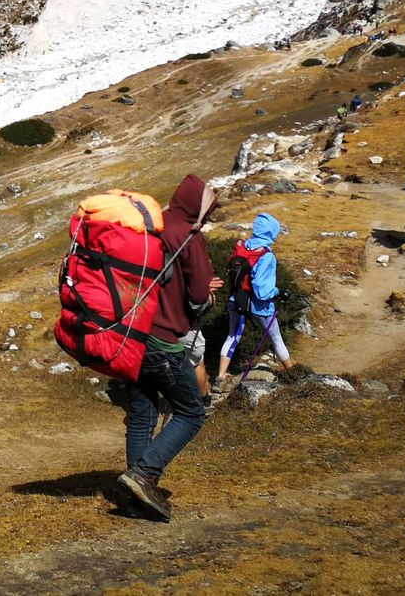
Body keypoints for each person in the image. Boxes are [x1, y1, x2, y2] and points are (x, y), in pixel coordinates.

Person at [117, 175, 221, 522]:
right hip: (161, 339)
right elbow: (197, 296)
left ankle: (136, 496)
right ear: (198, 206)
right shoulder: (189, 236)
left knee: (143, 413)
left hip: (128, 336)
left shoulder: (152, 227)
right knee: (191, 412)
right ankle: (144, 476)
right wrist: (208, 296)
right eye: (208, 209)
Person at [213, 212, 293, 396]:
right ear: (272, 233)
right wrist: (278, 292)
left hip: (237, 300)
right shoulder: (266, 255)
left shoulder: (241, 247)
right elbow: (263, 291)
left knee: (232, 337)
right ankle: (293, 374)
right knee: (276, 339)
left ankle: (219, 377)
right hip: (260, 306)